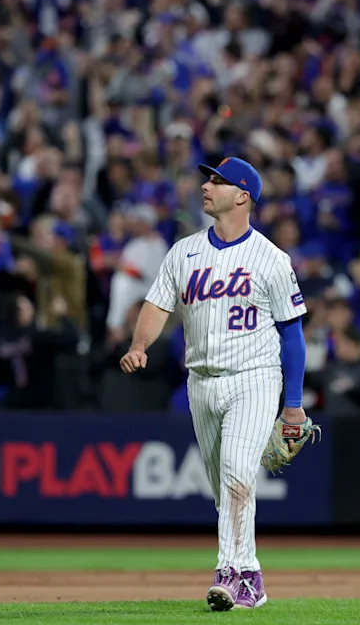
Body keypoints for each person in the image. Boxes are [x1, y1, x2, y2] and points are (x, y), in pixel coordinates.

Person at [120, 157, 307, 611]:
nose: (207, 186)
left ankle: (229, 573)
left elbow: (292, 334)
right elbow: (157, 304)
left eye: (219, 181)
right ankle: (252, 576)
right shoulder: (184, 252)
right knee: (224, 488)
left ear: (242, 196)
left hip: (254, 377)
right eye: (208, 178)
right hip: (201, 381)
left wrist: (294, 405)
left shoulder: (271, 259)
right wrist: (140, 344)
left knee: (239, 474)